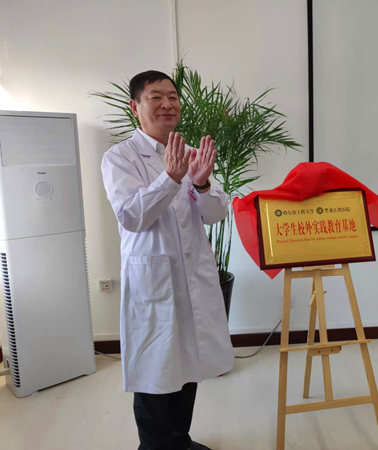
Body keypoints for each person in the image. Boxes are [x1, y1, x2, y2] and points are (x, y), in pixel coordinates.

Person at [101, 70, 234, 450]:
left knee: (188, 362)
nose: (167, 104)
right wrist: (171, 179)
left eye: (172, 97)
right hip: (153, 281)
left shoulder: (189, 153)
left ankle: (180, 440)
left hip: (191, 276)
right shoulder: (119, 158)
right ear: (135, 107)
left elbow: (214, 214)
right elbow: (131, 216)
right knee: (155, 369)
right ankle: (156, 446)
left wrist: (202, 183)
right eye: (156, 97)